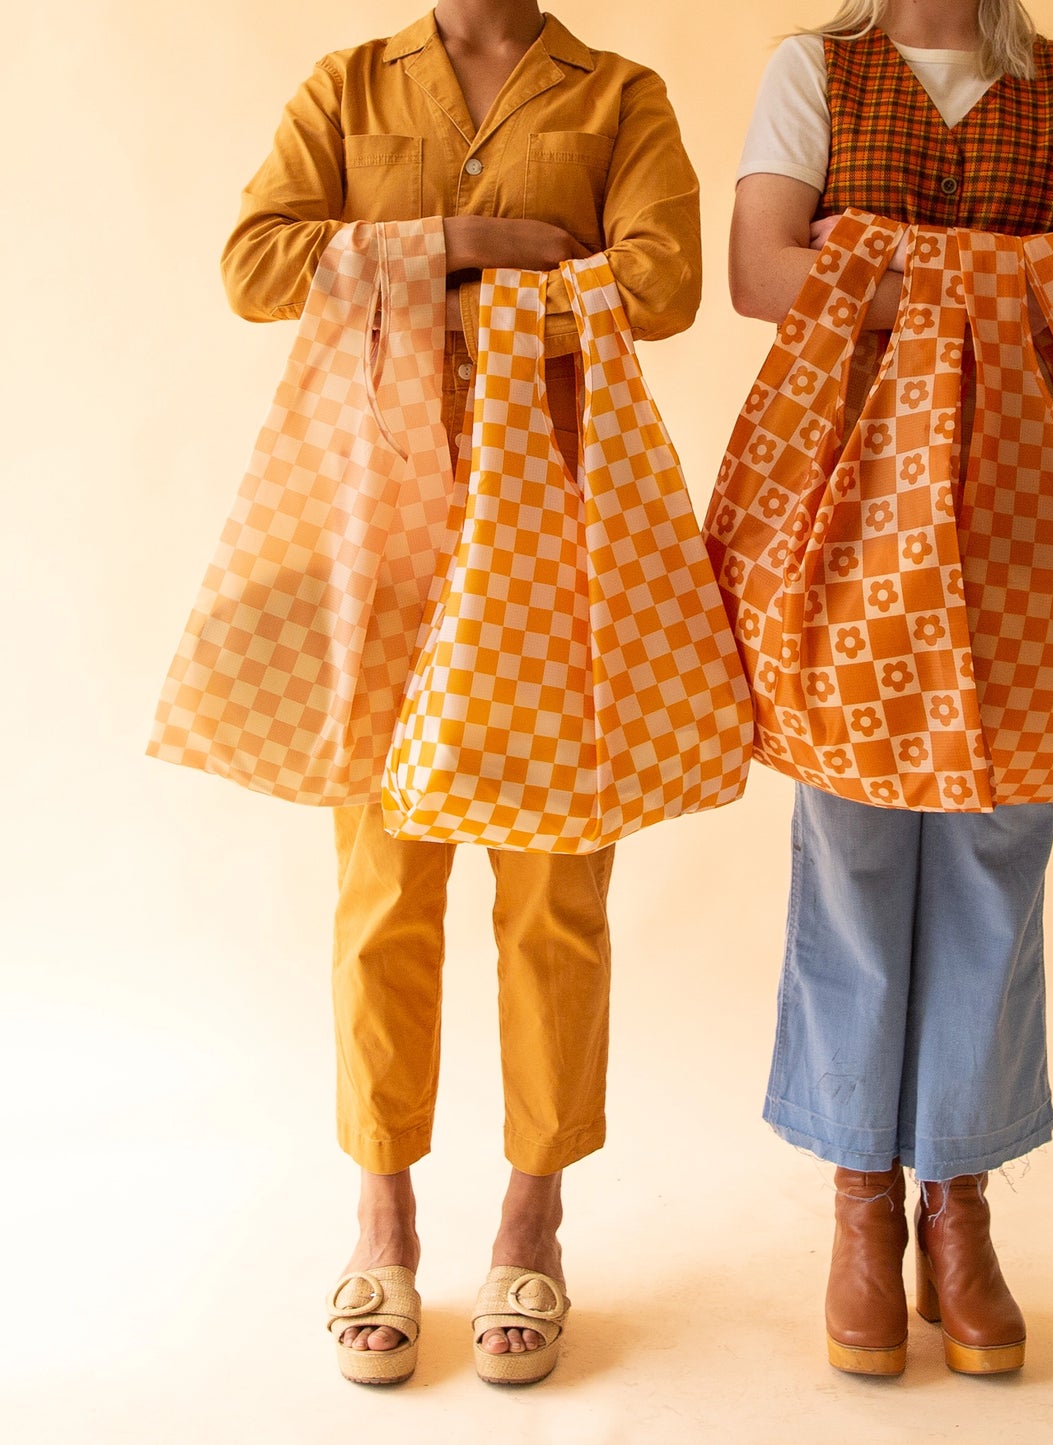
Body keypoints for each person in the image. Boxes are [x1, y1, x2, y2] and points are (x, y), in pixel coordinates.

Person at [221, 0, 701, 1386]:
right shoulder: (349, 84)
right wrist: (466, 246)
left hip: (553, 527)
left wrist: (387, 271)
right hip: (379, 525)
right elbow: (254, 263)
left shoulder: (614, 94)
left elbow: (663, 282)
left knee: (554, 886)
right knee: (383, 881)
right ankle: (382, 1206)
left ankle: (533, 1212)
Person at [728, 0, 1053, 1377]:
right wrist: (1013, 271)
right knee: (851, 836)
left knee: (994, 837)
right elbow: (754, 268)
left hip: (1024, 505)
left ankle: (954, 1200)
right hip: (846, 499)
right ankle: (860, 1196)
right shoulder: (817, 71)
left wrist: (871, 257)